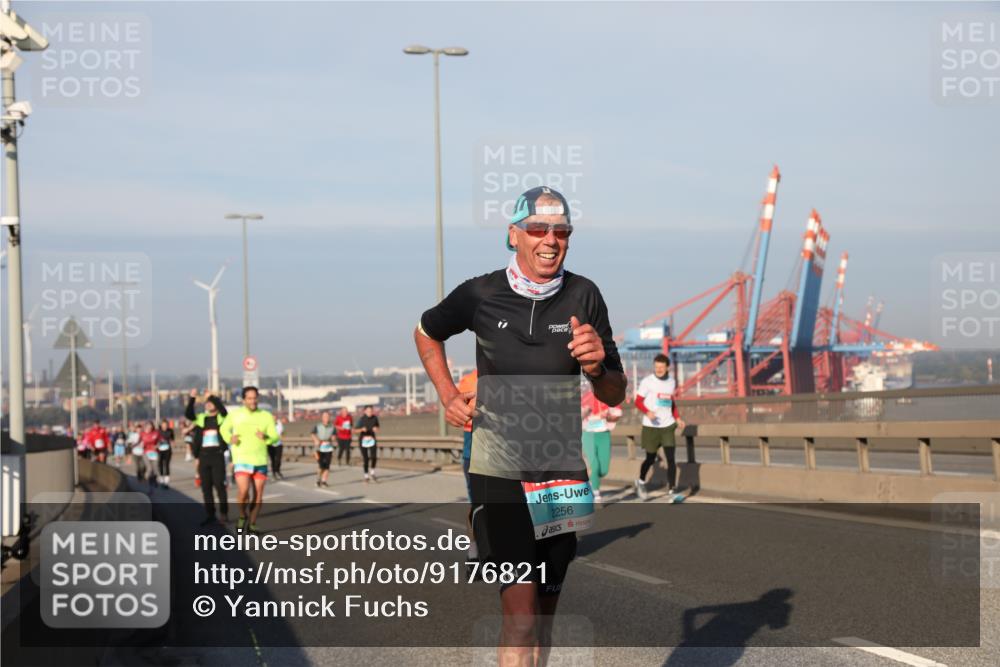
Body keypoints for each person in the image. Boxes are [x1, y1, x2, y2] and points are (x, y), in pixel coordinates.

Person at [414, 185, 626, 666]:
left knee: (545, 619)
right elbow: (426, 332)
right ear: (514, 235)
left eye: (561, 231)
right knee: (522, 617)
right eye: (537, 229)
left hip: (560, 472)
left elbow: (614, 392)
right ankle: (482, 517)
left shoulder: (584, 295)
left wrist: (598, 369)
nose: (550, 239)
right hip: (500, 469)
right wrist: (448, 395)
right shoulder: (481, 294)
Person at [221, 386, 278, 533]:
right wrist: (230, 438)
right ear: (243, 400)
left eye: (255, 398)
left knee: (258, 495)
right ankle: (242, 515)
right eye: (249, 398)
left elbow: (275, 436)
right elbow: (223, 429)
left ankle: (252, 523)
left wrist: (265, 437)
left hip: (260, 460)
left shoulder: (266, 416)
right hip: (242, 458)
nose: (253, 401)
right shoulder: (235, 415)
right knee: (244, 491)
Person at [634, 354, 686, 500]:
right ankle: (641, 481)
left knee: (671, 459)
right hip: (651, 426)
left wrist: (677, 418)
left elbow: (671, 402)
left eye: (661, 367)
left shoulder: (671, 382)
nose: (659, 369)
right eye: (656, 367)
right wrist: (647, 412)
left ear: (667, 367)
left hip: (668, 425)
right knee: (650, 458)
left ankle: (672, 491)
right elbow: (638, 401)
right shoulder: (647, 382)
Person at [186, 389, 229, 525]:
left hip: (217, 455)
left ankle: (224, 514)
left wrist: (212, 396)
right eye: (207, 403)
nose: (208, 404)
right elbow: (189, 414)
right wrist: (192, 398)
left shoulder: (221, 418)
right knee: (206, 487)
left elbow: (223, 410)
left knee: (219, 485)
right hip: (203, 456)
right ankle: (210, 514)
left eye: (211, 402)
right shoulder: (201, 418)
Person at [581, 390, 622, 505]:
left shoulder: (610, 397)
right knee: (594, 465)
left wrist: (608, 417)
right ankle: (596, 495)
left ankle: (592, 481)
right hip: (588, 434)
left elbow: (616, 416)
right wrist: (586, 412)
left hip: (604, 434)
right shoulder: (586, 397)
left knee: (604, 470)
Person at [354, 405, 380, 483]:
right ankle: (366, 476)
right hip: (363, 441)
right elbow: (355, 430)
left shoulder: (375, 418)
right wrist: (361, 429)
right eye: (368, 411)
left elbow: (378, 428)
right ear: (365, 411)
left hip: (372, 439)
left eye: (371, 411)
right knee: (366, 459)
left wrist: (376, 429)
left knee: (374, 457)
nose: (370, 412)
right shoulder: (361, 419)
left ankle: (372, 472)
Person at [311, 411, 336, 487]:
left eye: (327, 416)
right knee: (321, 465)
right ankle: (318, 479)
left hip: (328, 447)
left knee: (327, 465)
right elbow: (312, 434)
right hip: (319, 447)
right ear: (322, 418)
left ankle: (324, 481)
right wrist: (316, 439)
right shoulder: (318, 426)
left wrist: (333, 438)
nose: (326, 418)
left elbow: (334, 435)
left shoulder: (332, 426)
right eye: (324, 416)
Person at [138, 421, 161, 491]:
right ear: (145, 427)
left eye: (150, 427)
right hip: (146, 453)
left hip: (154, 453)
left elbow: (160, 441)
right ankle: (145, 480)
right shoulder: (142, 434)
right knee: (149, 468)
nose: (149, 428)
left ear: (152, 427)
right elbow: (139, 442)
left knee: (155, 469)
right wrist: (140, 445)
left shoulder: (156, 433)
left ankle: (153, 481)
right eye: (147, 427)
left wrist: (157, 446)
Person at [157, 418, 175, 487]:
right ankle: (161, 478)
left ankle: (166, 481)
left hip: (168, 450)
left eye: (166, 425)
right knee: (160, 464)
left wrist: (172, 443)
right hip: (159, 450)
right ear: (161, 425)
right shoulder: (158, 431)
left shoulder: (170, 431)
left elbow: (172, 439)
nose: (164, 426)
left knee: (167, 464)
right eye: (163, 425)